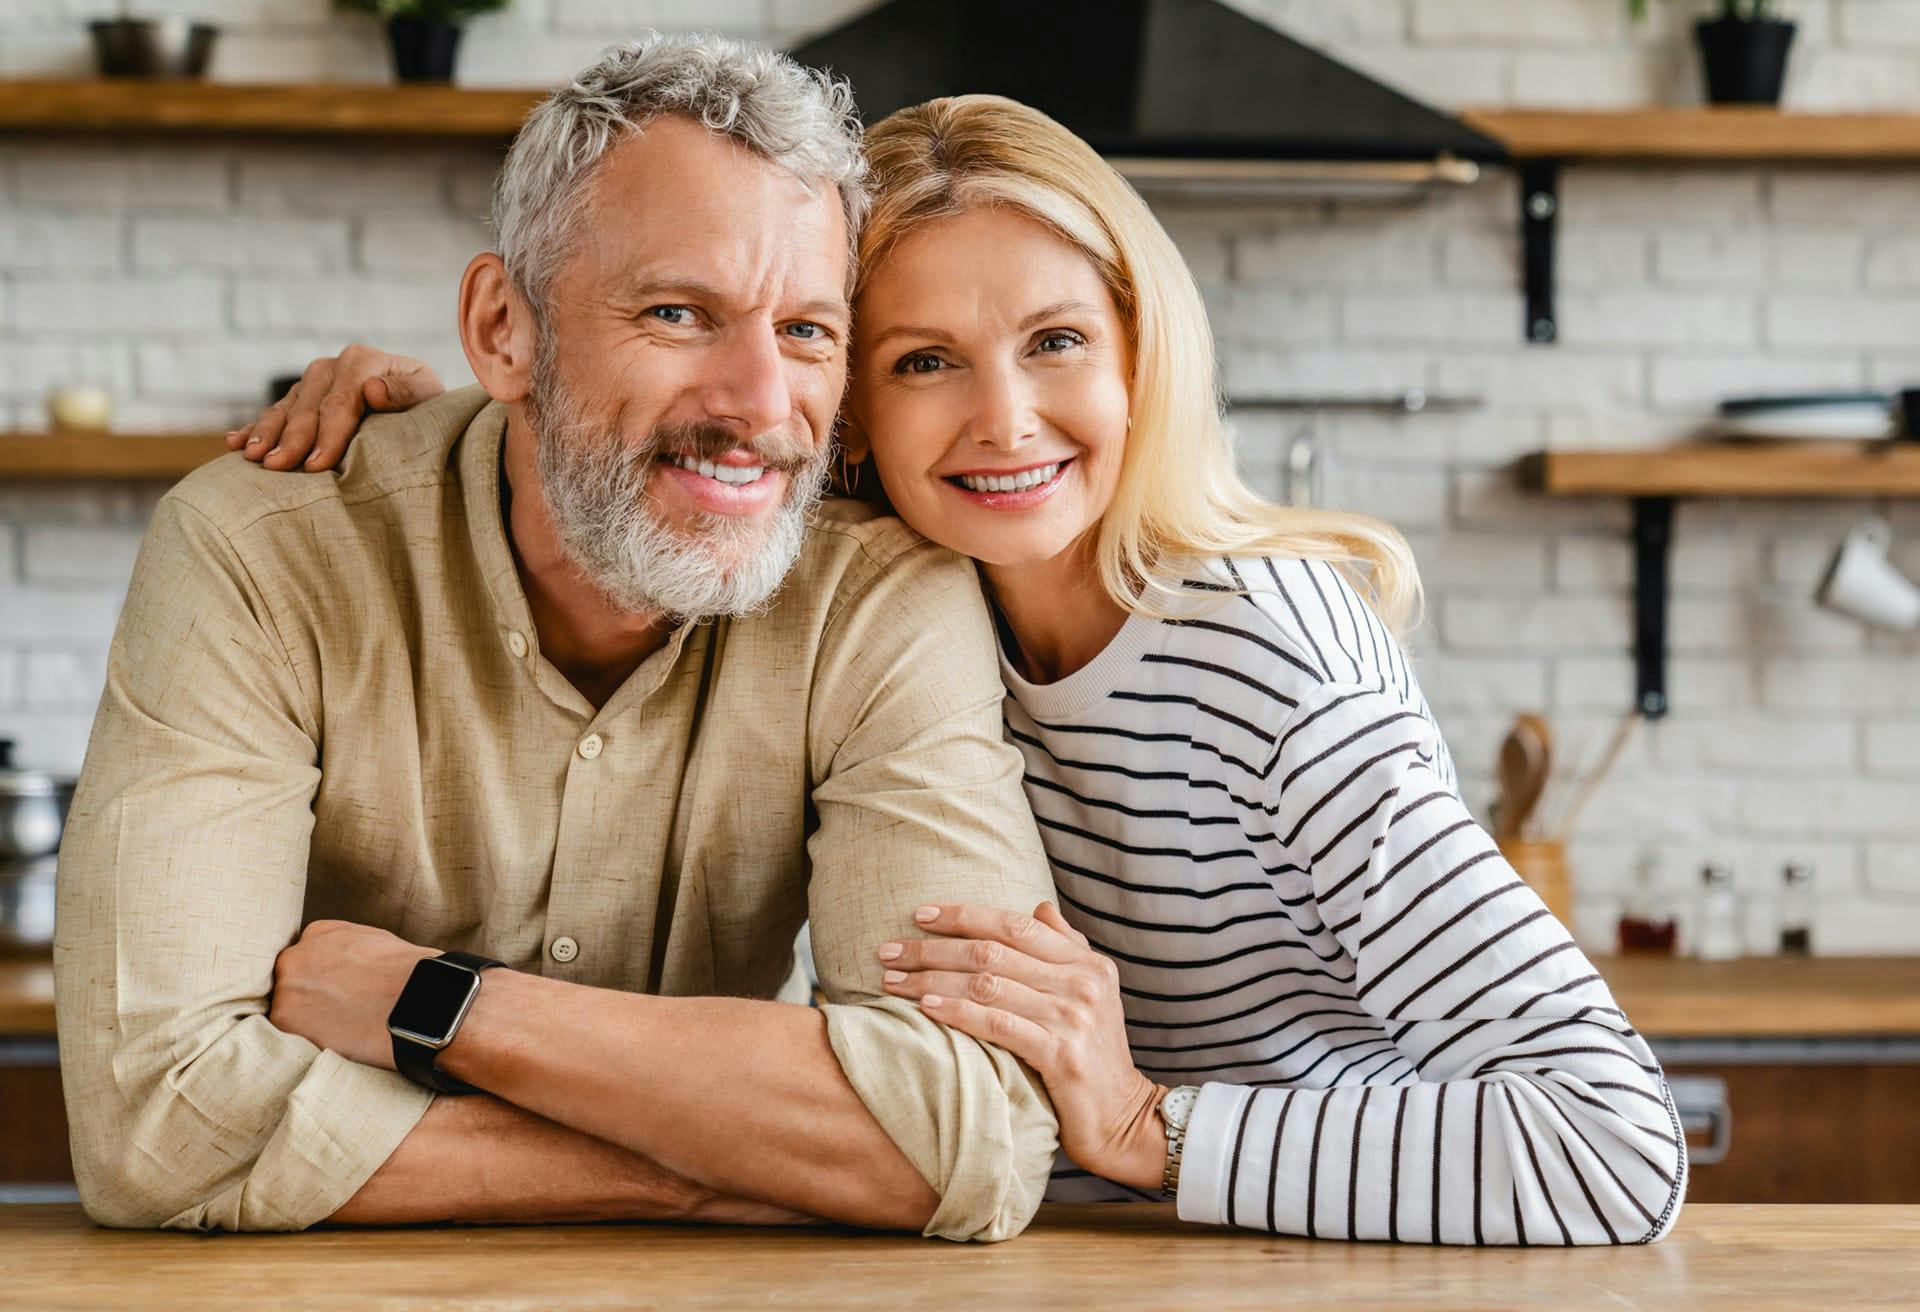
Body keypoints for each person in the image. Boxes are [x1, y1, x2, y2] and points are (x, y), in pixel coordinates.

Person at [240, 96, 1688, 1245]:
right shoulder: (893, 605)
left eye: (1055, 341)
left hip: (1326, 1268)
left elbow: (1613, 1145)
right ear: (850, 405)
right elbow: (665, 454)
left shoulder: (1267, 657)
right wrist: (443, 418)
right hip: (1062, 1257)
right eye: (925, 360)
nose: (1005, 421)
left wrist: (1138, 1127)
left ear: (1142, 353)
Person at [54, 37, 1063, 1240]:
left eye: (805, 331)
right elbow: (155, 1124)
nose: (756, 401)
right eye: (678, 312)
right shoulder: (261, 554)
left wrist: (440, 1006)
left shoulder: (880, 596)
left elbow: (976, 1135)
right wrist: (710, 1167)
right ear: (503, 328)